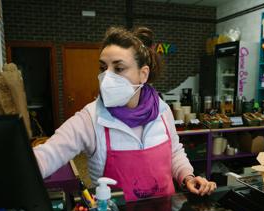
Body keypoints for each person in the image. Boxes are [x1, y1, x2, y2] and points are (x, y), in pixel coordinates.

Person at [34, 26, 216, 201]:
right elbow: (47, 155)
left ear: (143, 74)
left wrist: (188, 177)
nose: (107, 77)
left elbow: (174, 152)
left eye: (118, 68)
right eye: (103, 68)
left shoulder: (162, 110)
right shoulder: (90, 119)